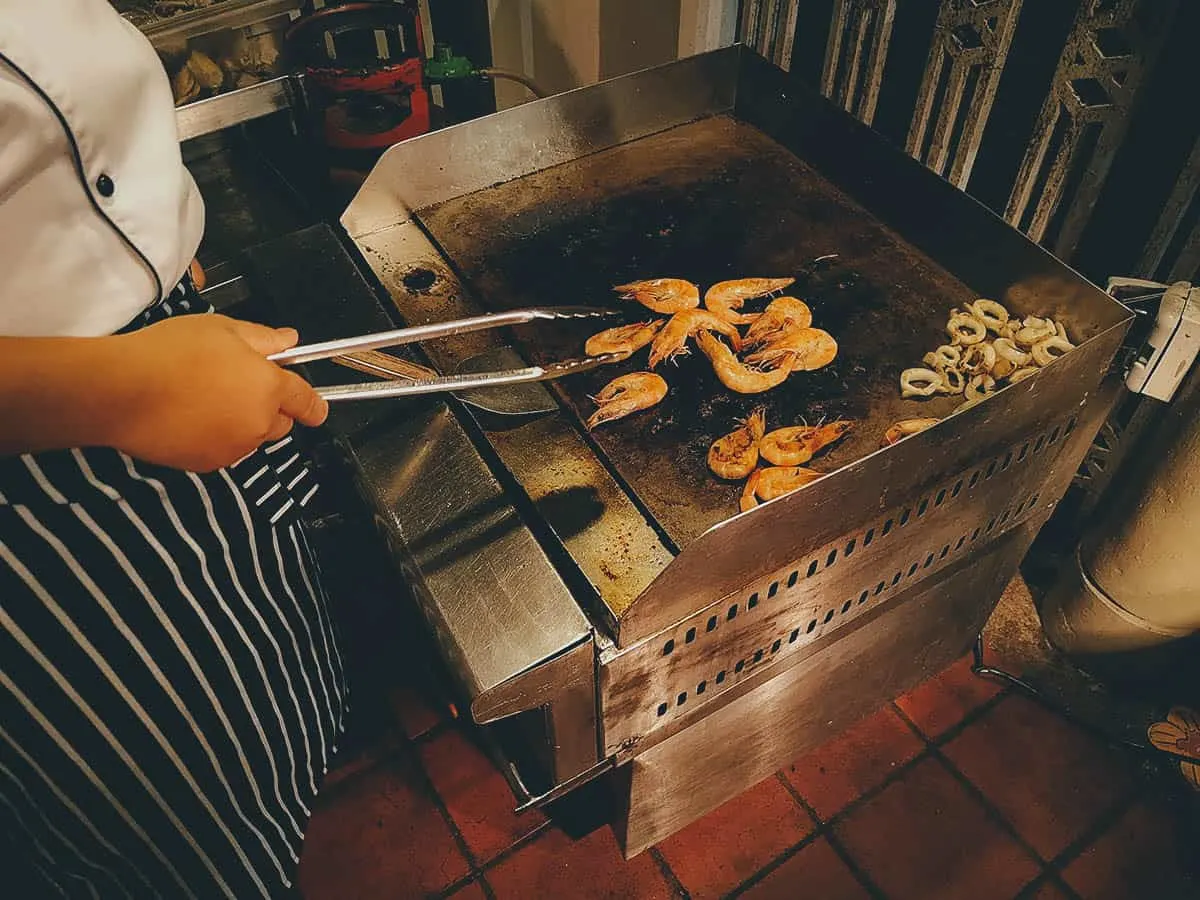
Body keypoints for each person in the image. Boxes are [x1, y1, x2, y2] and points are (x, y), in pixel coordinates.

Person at [0, 2, 348, 896]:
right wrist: (123, 387)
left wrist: (158, 258)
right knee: (164, 831)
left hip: (165, 357)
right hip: (39, 492)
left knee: (259, 732)